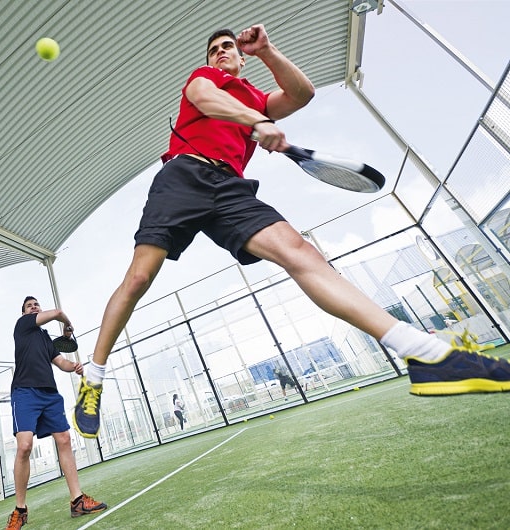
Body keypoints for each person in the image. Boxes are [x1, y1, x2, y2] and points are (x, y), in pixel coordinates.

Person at [72, 24, 510, 439]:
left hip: (229, 187)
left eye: (229, 47)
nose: (222, 52)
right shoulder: (208, 79)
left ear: (240, 59)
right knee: (138, 279)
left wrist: (265, 51)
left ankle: (424, 354)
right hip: (183, 176)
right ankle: (94, 376)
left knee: (303, 254)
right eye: (215, 48)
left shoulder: (255, 96)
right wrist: (256, 122)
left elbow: (302, 93)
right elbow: (203, 98)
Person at [5, 296, 107, 530]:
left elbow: (60, 361)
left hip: (49, 393)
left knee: (64, 439)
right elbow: (59, 312)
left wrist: (74, 367)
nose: (34, 307)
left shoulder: (45, 338)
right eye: (30, 306)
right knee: (24, 446)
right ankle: (20, 510)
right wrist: (67, 324)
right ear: (24, 314)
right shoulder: (22, 325)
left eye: (36, 304)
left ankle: (77, 500)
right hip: (24, 392)